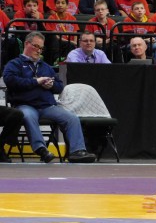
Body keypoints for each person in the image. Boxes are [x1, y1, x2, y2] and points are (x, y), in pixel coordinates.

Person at [2, 31, 96, 163]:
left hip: (47, 106)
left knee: (72, 118)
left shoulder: (45, 66)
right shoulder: (14, 64)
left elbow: (59, 86)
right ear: (27, 44)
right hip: (25, 104)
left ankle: (77, 151)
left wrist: (51, 86)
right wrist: (36, 81)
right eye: (36, 46)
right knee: (28, 116)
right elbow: (11, 81)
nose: (38, 50)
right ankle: (42, 149)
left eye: (41, 48)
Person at [44, 0, 79, 65]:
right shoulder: (51, 18)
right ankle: (56, 60)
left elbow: (75, 34)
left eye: (63, 3)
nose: (60, 5)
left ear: (67, 6)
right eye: (58, 3)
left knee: (71, 46)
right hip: (57, 44)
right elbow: (55, 37)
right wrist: (71, 42)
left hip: (70, 44)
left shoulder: (72, 18)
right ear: (55, 5)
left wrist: (74, 42)